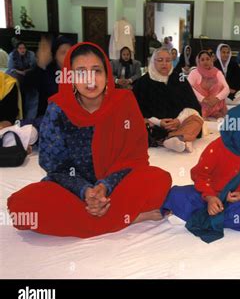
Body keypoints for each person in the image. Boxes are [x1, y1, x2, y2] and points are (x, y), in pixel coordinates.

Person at [7, 42, 172, 238]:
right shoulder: (58, 108)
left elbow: (134, 159)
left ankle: (99, 219)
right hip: (73, 189)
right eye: (81, 72)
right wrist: (85, 191)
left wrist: (104, 187)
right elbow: (55, 167)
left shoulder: (124, 102)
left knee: (159, 179)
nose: (90, 80)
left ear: (107, 73)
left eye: (96, 70)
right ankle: (127, 218)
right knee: (23, 209)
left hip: (117, 186)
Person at [161, 103, 240, 243]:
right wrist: (210, 197)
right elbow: (200, 175)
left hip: (236, 202)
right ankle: (213, 216)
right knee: (175, 195)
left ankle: (199, 217)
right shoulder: (217, 148)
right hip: (209, 196)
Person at [133, 48, 203, 153]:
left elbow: (192, 104)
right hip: (155, 125)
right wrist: (159, 122)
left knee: (197, 120)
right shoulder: (142, 83)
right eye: (160, 60)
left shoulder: (180, 79)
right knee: (139, 124)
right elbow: (135, 110)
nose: (164, 64)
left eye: (168, 60)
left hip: (179, 123)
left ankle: (170, 139)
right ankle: (179, 138)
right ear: (153, 62)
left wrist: (178, 120)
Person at [21, 36, 73, 127]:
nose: (68, 55)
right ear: (55, 56)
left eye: (71, 52)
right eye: (63, 52)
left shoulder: (79, 72)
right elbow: (26, 84)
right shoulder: (46, 72)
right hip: (48, 121)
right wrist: (40, 65)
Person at [187, 50, 230, 119]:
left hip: (214, 103)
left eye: (207, 59)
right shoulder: (194, 73)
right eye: (202, 60)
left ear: (211, 60)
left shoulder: (217, 72)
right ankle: (202, 113)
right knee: (193, 88)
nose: (205, 62)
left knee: (220, 85)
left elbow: (227, 89)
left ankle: (214, 112)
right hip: (199, 104)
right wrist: (203, 99)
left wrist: (216, 99)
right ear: (199, 62)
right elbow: (187, 88)